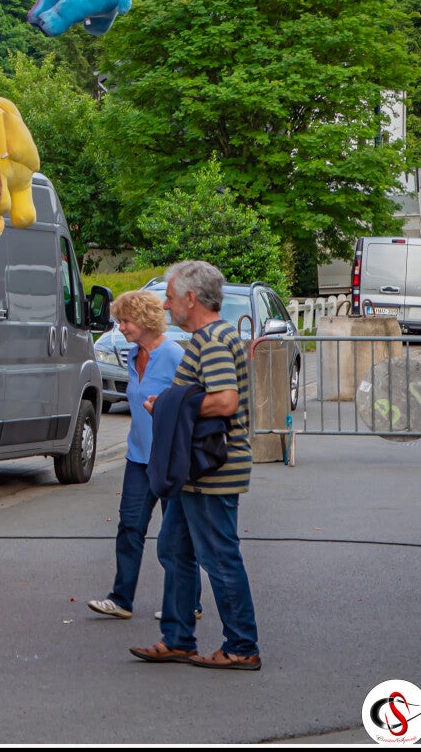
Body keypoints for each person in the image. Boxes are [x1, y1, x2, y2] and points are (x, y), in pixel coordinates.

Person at [131, 260, 262, 671]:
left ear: (191, 298)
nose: (165, 305)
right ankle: (178, 639)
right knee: (174, 548)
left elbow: (224, 400)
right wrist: (172, 404)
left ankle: (241, 645)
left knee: (219, 558)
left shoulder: (213, 340)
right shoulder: (212, 337)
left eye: (170, 297)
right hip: (198, 470)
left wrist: (169, 405)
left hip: (211, 471)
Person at [87, 290, 190, 620]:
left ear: (145, 321)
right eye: (119, 321)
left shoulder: (174, 355)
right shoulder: (132, 356)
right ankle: (121, 599)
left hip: (171, 459)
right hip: (138, 457)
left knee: (174, 536)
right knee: (130, 527)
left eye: (126, 321)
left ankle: (188, 602)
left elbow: (192, 403)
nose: (121, 327)